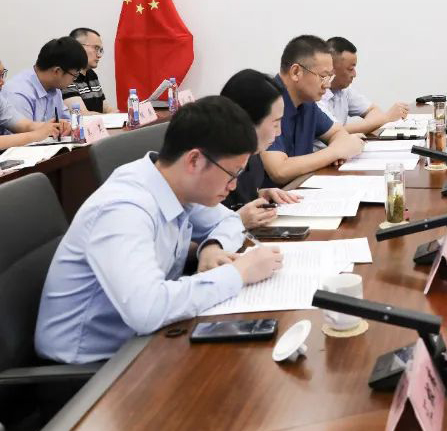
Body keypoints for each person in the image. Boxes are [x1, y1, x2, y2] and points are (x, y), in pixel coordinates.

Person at [35, 97, 284, 364]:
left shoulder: (175, 183)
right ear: (195, 161)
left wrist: (212, 247)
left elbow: (230, 221)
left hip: (145, 341)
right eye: (232, 174)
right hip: (89, 367)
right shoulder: (124, 209)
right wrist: (239, 273)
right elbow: (148, 310)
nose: (233, 186)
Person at [261, 35, 366, 185]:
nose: (327, 85)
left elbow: (337, 132)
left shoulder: (307, 102)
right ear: (296, 72)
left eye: (330, 77)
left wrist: (340, 148)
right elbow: (279, 171)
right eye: (323, 77)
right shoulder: (267, 101)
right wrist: (335, 152)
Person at [220, 69, 301, 228]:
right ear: (247, 120)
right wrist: (238, 221)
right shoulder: (211, 163)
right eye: (275, 123)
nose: (279, 132)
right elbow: (192, 234)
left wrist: (260, 194)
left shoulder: (253, 155)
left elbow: (240, 196)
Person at [317, 36, 410, 138]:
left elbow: (373, 110)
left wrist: (374, 122)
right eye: (350, 69)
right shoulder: (316, 97)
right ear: (331, 68)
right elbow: (333, 131)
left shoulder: (344, 90)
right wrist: (385, 118)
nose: (354, 74)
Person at [2, 37, 85, 127]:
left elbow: (67, 122)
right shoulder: (19, 94)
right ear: (57, 71)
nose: (74, 80)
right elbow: (22, 134)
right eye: (75, 75)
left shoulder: (54, 87)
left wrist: (67, 127)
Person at [0, 57, 63, 147]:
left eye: (2, 74)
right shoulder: (17, 91)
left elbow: (24, 124)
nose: (2, 82)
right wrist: (36, 135)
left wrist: (51, 127)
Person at [62, 27, 116, 114]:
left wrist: (118, 114)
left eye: (100, 50)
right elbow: (81, 114)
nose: (99, 55)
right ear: (78, 47)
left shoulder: (91, 74)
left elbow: (106, 108)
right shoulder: (67, 75)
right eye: (96, 48)